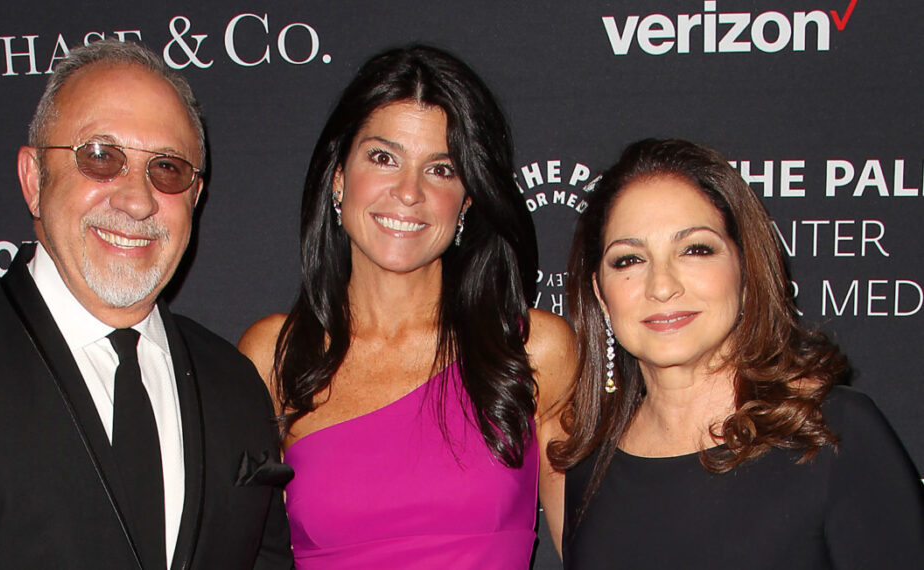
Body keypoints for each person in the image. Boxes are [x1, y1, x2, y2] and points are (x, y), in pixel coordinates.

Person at [0, 40, 292, 569]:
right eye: (99, 157)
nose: (136, 200)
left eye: (167, 168)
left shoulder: (234, 384)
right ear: (33, 179)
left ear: (195, 197)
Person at [240, 45, 575, 568]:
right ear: (338, 177)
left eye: (441, 169)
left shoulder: (534, 349)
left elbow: (600, 543)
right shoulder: (275, 356)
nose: (409, 192)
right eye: (382, 158)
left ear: (467, 199)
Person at [554, 138, 924, 568]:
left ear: (746, 271)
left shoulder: (832, 435)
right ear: (600, 293)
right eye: (629, 260)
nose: (661, 286)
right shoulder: (588, 465)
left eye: (695, 249)